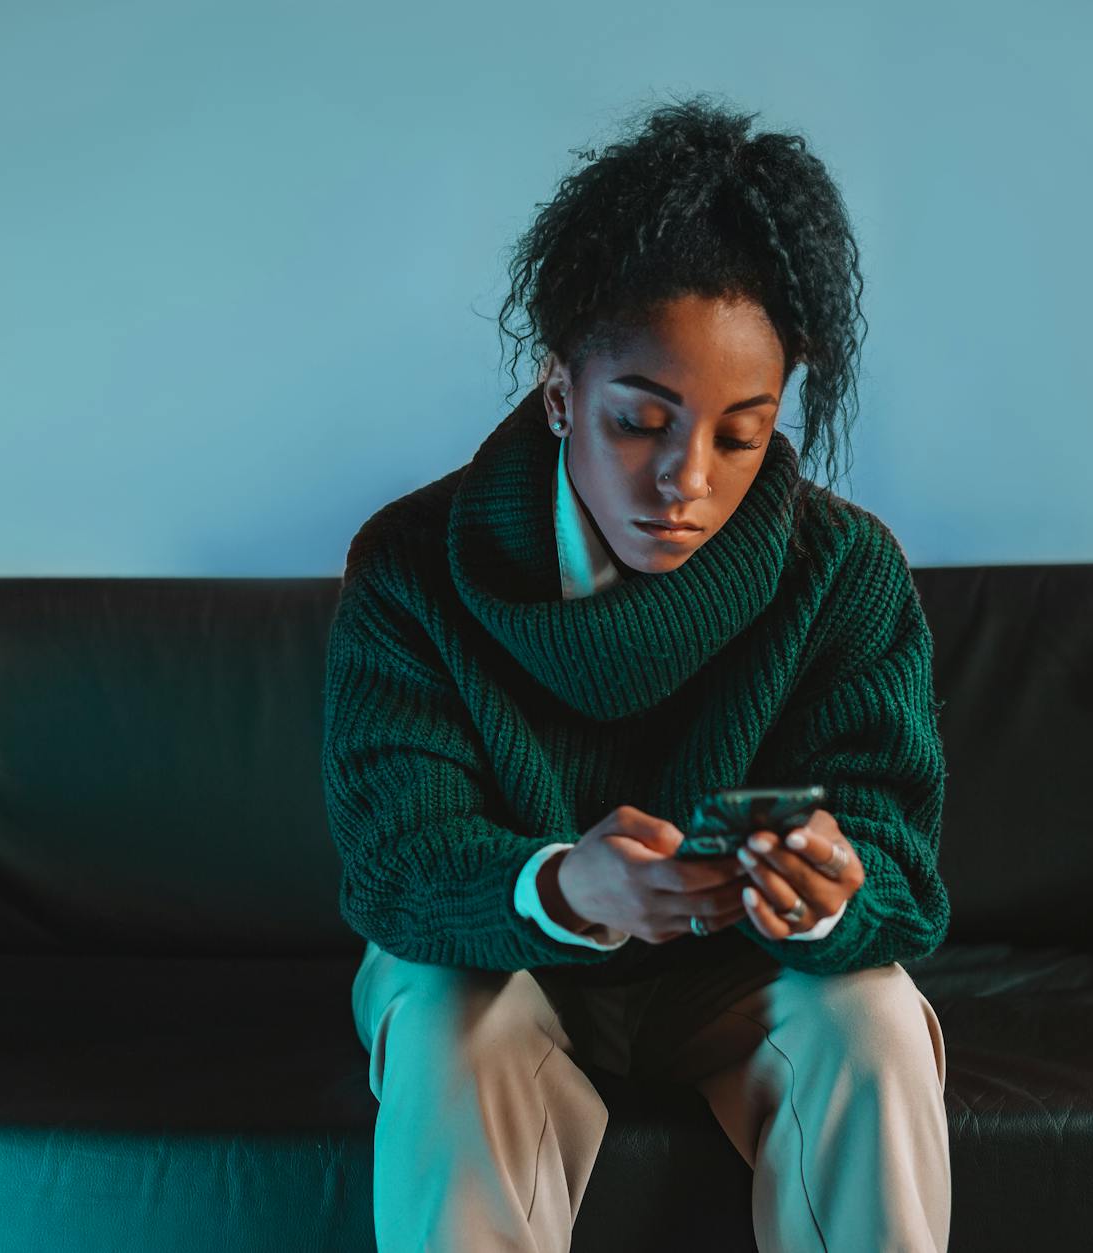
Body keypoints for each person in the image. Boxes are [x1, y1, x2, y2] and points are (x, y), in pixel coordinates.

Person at [321, 93, 952, 1253]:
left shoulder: (845, 571)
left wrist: (828, 889)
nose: (685, 479)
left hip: (736, 980)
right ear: (560, 391)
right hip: (510, 969)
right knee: (442, 1015)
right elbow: (394, 866)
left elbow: (906, 875)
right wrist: (564, 888)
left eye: (737, 432)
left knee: (873, 1014)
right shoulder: (410, 566)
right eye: (637, 420)